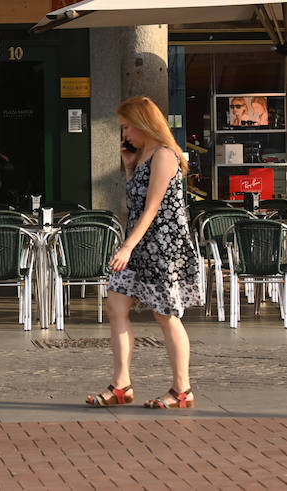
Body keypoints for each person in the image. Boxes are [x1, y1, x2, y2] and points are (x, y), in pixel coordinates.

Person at [88, 96, 203, 409]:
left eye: (127, 126)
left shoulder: (164, 155)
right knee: (115, 305)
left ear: (142, 123)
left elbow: (152, 209)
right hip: (139, 243)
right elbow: (135, 204)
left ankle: (182, 390)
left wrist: (126, 246)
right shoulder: (141, 157)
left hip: (162, 247)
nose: (124, 134)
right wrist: (128, 168)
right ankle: (121, 384)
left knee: (165, 315)